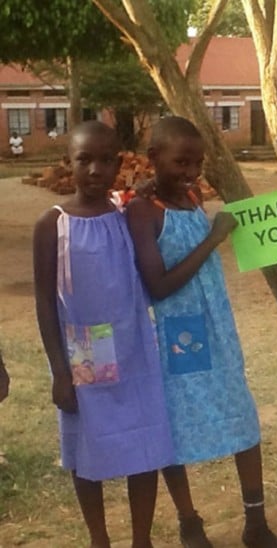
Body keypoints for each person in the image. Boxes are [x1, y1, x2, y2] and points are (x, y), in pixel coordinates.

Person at [126, 116, 277, 548]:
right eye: (181, 162)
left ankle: (255, 522)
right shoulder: (142, 211)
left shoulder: (192, 197)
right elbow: (157, 286)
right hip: (174, 337)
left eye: (197, 163)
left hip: (216, 327)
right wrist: (213, 239)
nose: (191, 172)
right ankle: (189, 521)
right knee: (173, 430)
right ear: (154, 158)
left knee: (243, 416)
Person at [32, 121, 175, 548]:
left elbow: (160, 187)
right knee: (85, 450)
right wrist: (60, 371)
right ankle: (99, 538)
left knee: (145, 445)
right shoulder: (52, 224)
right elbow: (43, 302)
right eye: (84, 160)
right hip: (83, 356)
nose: (95, 169)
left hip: (135, 350)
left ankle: (141, 539)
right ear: (68, 164)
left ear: (119, 162)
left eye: (106, 159)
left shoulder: (126, 212)